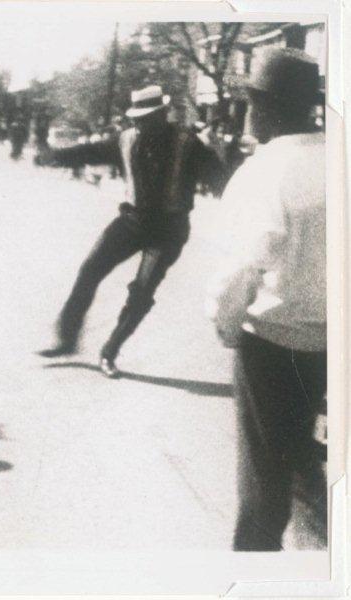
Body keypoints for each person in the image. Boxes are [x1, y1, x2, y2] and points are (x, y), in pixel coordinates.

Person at [207, 48, 327, 551]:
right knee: (313, 473)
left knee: (263, 491)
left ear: (263, 107)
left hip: (274, 348)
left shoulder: (265, 171)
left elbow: (240, 272)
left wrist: (227, 326)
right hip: (334, 348)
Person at [37, 85, 230, 377]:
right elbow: (90, 151)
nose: (139, 124)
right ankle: (66, 339)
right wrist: (54, 157)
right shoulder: (127, 139)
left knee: (141, 292)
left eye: (147, 117)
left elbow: (222, 181)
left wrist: (229, 177)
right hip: (132, 222)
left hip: (169, 230)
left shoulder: (188, 144)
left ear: (163, 115)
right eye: (136, 118)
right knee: (90, 270)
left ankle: (110, 352)